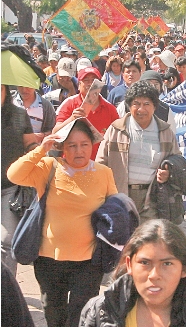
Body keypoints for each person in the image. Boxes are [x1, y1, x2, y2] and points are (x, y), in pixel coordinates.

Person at [7, 119, 118, 327]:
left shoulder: (104, 173)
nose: (79, 151)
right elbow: (14, 175)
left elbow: (114, 208)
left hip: (88, 261)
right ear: (63, 148)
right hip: (49, 260)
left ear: (92, 145)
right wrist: (41, 150)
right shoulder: (49, 167)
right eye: (72, 145)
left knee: (81, 314)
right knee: (53, 313)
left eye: (84, 144)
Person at [79, 219, 186, 327]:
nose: (154, 275)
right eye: (145, 263)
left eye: (167, 264)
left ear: (184, 269)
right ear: (129, 265)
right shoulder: (99, 311)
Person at [96, 81, 180, 223]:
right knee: (124, 241)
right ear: (129, 105)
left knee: (147, 240)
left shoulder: (165, 132)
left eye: (146, 104)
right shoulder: (116, 129)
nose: (141, 109)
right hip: (120, 196)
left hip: (152, 199)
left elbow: (177, 162)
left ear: (154, 106)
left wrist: (168, 174)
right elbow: (100, 163)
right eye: (136, 103)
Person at [1, 84, 38, 276]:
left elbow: (30, 143)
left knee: (7, 241)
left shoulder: (18, 114)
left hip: (10, 188)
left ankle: (7, 293)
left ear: (6, 91)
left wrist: (40, 149)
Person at [53, 67, 119, 160]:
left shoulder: (110, 108)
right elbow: (55, 132)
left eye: (93, 80)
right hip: (71, 163)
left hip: (99, 164)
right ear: (79, 85)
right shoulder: (69, 103)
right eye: (86, 80)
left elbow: (118, 136)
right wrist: (71, 119)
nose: (90, 84)